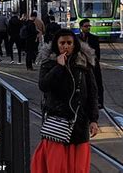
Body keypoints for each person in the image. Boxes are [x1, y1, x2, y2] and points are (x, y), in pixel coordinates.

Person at [31, 29, 99, 173]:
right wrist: (59, 67)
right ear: (57, 44)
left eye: (69, 43)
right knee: (57, 166)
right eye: (62, 43)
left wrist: (93, 119)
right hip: (57, 121)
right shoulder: (48, 62)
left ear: (75, 44)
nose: (66, 46)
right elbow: (43, 85)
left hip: (79, 122)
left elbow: (92, 93)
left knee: (78, 168)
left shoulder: (83, 63)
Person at [78, 18, 104, 108]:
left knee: (97, 82)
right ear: (81, 27)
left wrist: (95, 62)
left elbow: (98, 53)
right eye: (86, 26)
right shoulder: (77, 38)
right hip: (81, 64)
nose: (88, 28)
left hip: (93, 64)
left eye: (89, 26)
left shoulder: (94, 38)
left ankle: (99, 101)